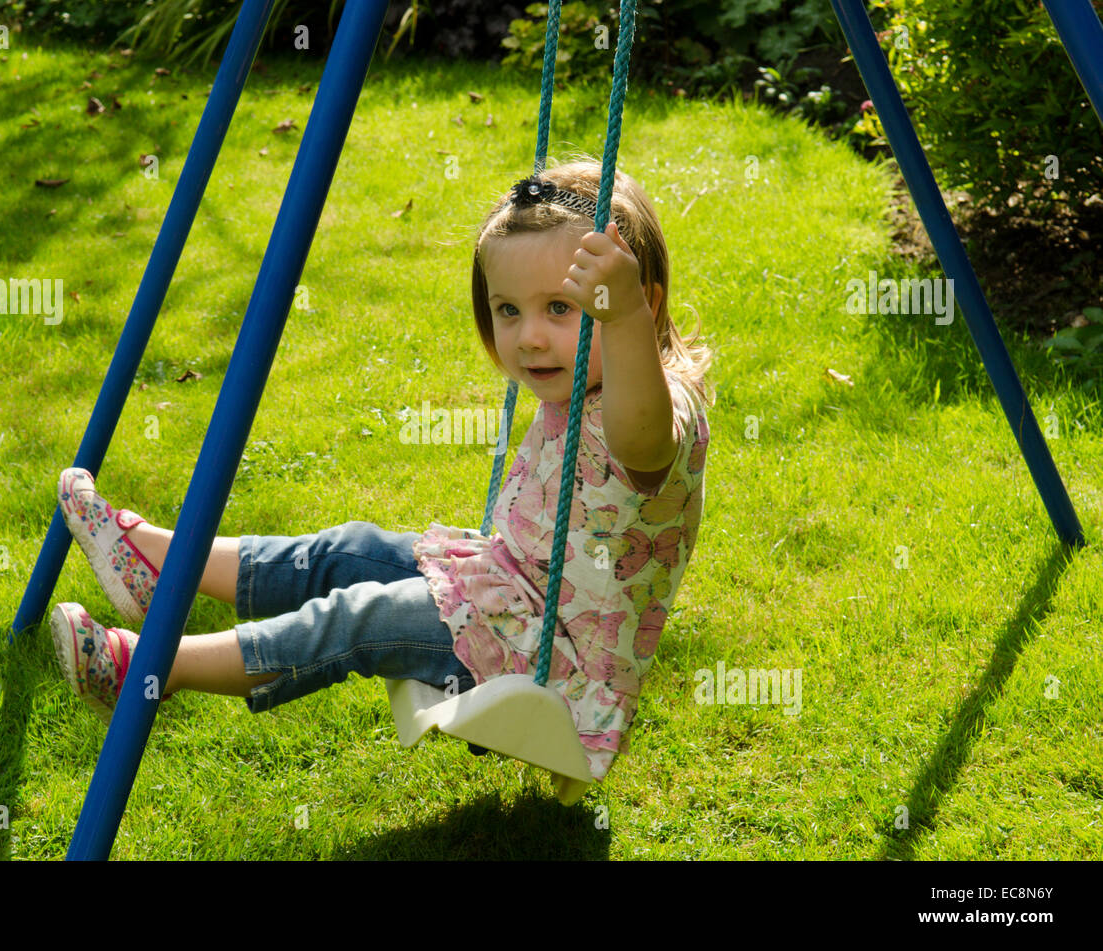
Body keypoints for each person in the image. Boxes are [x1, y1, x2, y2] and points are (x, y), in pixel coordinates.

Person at [50, 156, 714, 787]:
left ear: (642, 304)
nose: (528, 337)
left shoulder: (657, 404)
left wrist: (620, 317)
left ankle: (148, 667)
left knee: (354, 616)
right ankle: (160, 563)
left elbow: (643, 438)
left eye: (561, 308)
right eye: (509, 309)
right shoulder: (579, 385)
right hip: (503, 598)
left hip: (549, 665)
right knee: (348, 550)